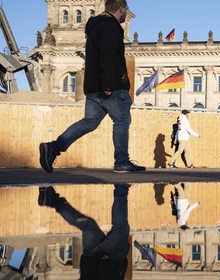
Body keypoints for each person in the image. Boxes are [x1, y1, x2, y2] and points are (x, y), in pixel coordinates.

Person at [39, 0, 144, 174]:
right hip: (111, 87)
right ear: (121, 9)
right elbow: (108, 56)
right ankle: (122, 161)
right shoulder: (110, 26)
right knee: (121, 121)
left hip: (94, 88)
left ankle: (54, 147)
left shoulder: (95, 27)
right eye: (126, 10)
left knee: (89, 122)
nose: (127, 14)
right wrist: (109, 83)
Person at [38, 184, 131, 280]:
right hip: (93, 256)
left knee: (120, 227)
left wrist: (105, 264)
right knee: (87, 225)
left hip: (110, 257)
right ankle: (52, 201)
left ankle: (121, 188)